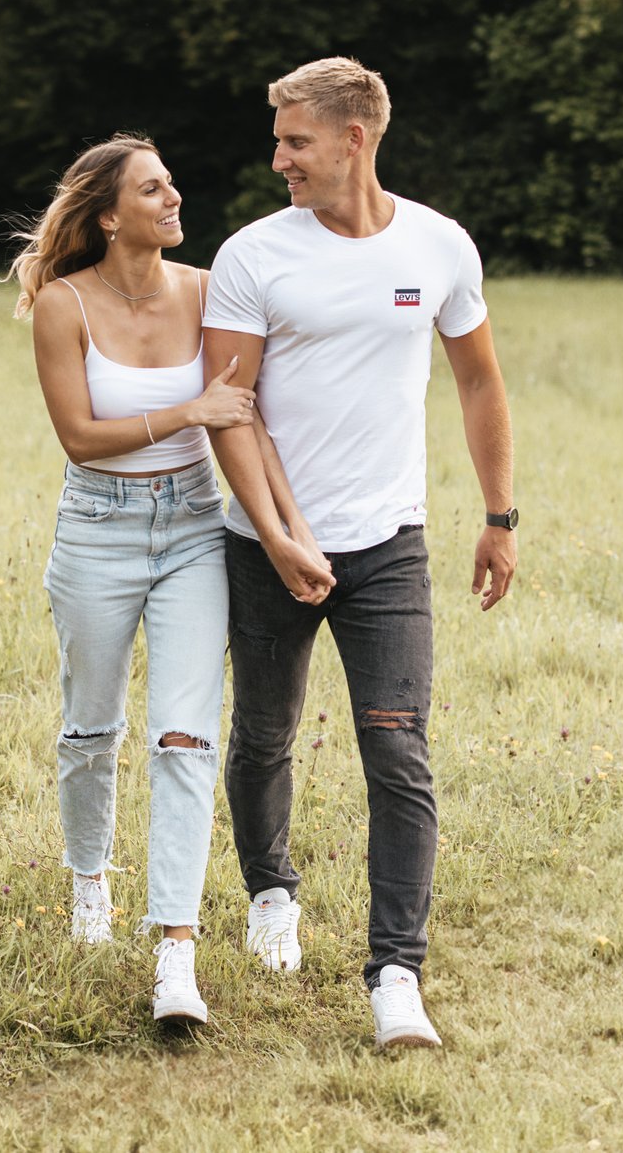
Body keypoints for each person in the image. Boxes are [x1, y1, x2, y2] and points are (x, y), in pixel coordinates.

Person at [202, 57, 518, 1051]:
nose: (278, 159)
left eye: (294, 140)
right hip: (263, 544)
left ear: (353, 137)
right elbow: (229, 410)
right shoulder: (254, 254)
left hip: (388, 543)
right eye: (278, 139)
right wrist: (284, 537)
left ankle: (395, 973)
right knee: (262, 734)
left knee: (399, 751)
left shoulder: (438, 244)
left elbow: (477, 382)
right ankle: (270, 892)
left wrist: (500, 514)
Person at [8, 134, 310, 1029]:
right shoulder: (64, 305)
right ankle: (90, 880)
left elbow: (250, 417)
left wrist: (285, 527)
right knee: (91, 727)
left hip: (189, 526)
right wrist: (185, 410)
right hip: (96, 527)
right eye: (153, 188)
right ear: (108, 214)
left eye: (172, 182)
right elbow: (78, 436)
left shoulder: (209, 289)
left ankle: (176, 951)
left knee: (186, 738)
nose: (175, 196)